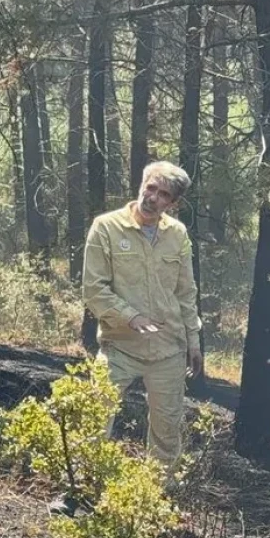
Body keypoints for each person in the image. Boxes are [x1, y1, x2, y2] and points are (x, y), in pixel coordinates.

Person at [82, 161, 203, 475]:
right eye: (150, 187)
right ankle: (83, 489)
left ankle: (159, 498)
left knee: (167, 430)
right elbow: (93, 289)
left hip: (168, 349)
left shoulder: (178, 234)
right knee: (95, 416)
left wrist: (194, 341)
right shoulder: (106, 227)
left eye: (163, 195)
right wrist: (129, 316)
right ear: (141, 184)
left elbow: (186, 292)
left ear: (173, 204)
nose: (153, 198)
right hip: (120, 345)